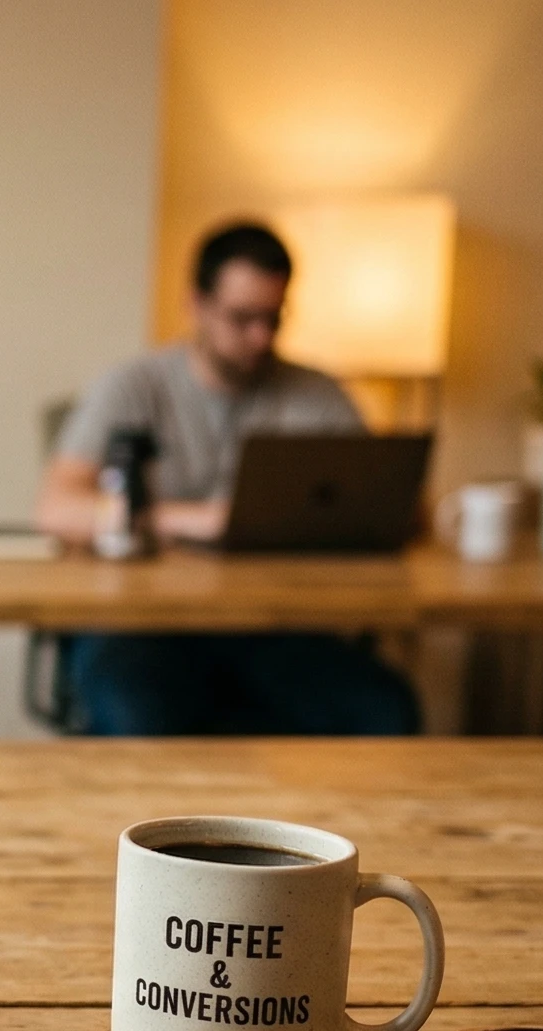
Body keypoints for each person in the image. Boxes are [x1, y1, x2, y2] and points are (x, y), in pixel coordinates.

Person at [33, 221, 421, 736]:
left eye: (274, 318)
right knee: (138, 718)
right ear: (196, 305)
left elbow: (393, 509)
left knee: (385, 711)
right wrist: (186, 520)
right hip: (142, 625)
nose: (260, 337)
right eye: (242, 318)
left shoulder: (319, 394)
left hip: (275, 627)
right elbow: (56, 508)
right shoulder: (132, 387)